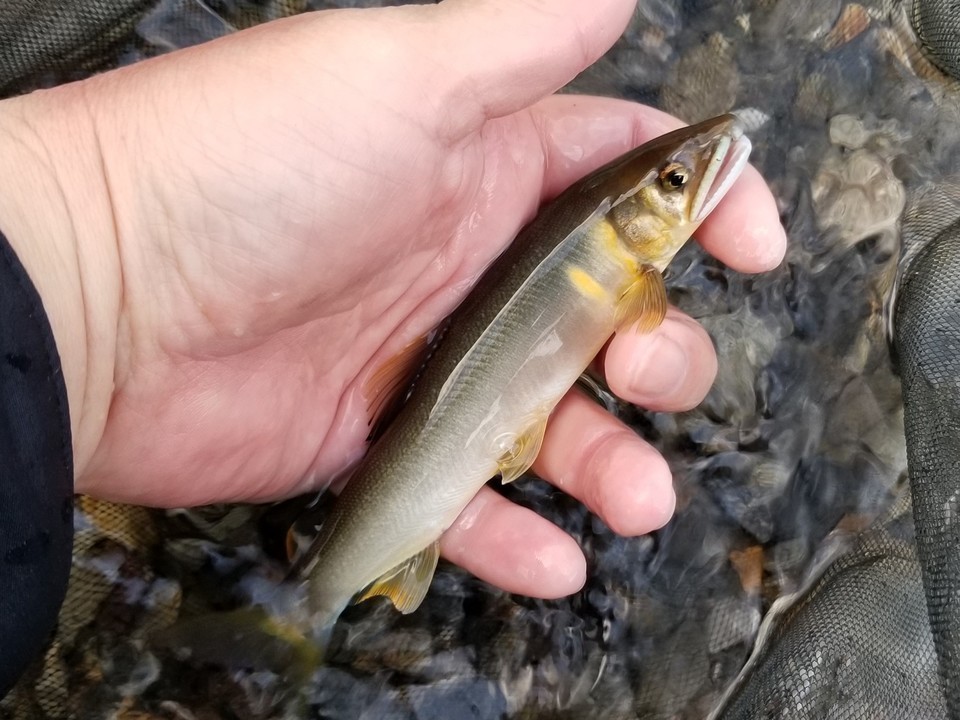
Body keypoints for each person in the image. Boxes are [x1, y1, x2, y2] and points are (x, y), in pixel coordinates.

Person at [0, 0, 785, 696]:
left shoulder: (622, 260)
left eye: (672, 181)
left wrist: (91, 249)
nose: (698, 171)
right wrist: (88, 245)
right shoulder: (630, 272)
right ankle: (304, 622)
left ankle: (295, 625)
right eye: (674, 183)